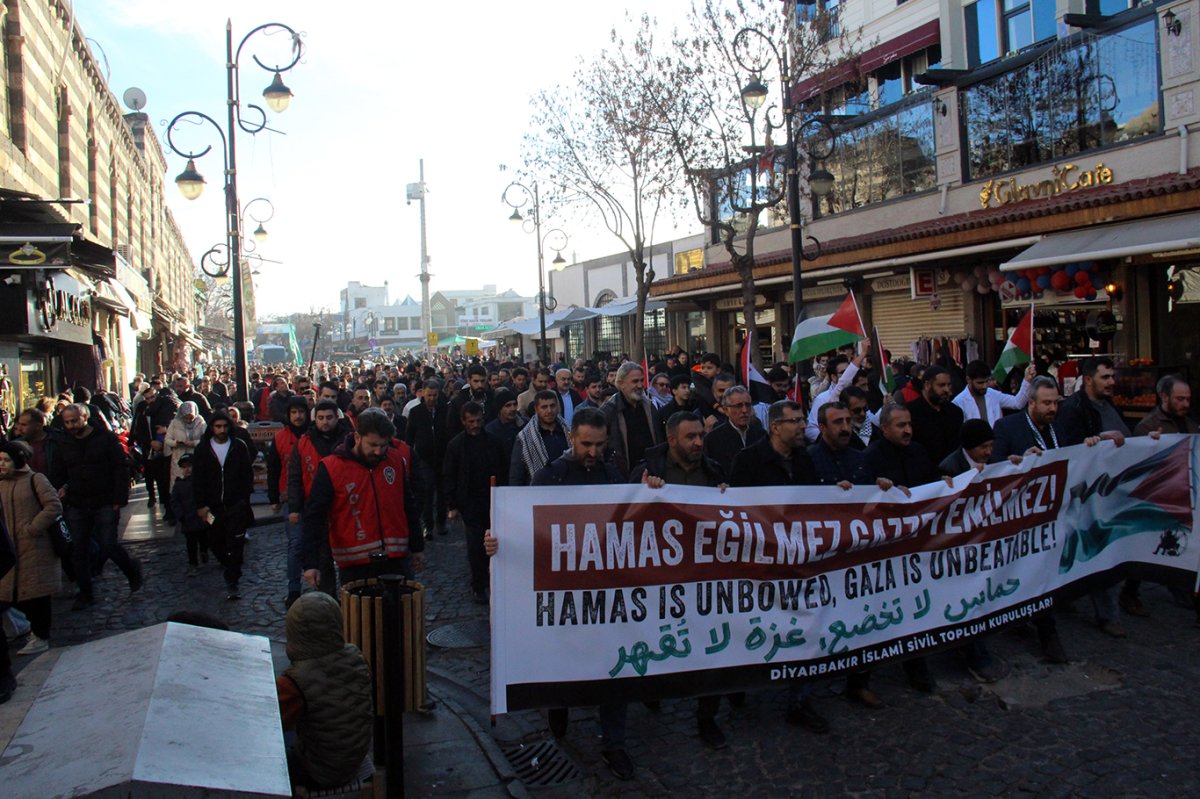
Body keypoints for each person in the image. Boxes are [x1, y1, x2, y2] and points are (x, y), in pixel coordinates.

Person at [485, 408, 638, 780]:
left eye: (599, 445)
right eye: (586, 444)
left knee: (612, 668)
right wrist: (497, 541)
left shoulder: (611, 473)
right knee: (563, 658)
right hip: (564, 593)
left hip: (604, 592)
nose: (593, 452)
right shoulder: (548, 476)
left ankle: (613, 743)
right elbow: (527, 528)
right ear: (572, 439)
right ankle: (558, 703)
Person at [631, 411, 732, 750]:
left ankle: (707, 716)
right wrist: (644, 494)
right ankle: (652, 688)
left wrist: (726, 496)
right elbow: (622, 520)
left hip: (705, 578)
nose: (699, 443)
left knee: (712, 648)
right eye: (690, 437)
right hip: (660, 578)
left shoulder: (712, 470)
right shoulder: (648, 471)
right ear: (671, 440)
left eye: (701, 436)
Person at [730, 400, 830, 733]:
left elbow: (816, 502)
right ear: (776, 427)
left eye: (803, 420)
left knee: (805, 624)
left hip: (799, 560)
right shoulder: (747, 461)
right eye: (796, 421)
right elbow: (733, 511)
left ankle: (800, 701)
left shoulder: (806, 458)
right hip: (759, 564)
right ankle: (738, 683)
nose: (804, 426)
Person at [989, 376, 1069, 663]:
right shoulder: (1007, 427)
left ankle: (1039, 623)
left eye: (1055, 403)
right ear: (1031, 402)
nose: (1052, 409)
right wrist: (1020, 461)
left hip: (1053, 513)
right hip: (1021, 516)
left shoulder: (1058, 428)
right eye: (1046, 403)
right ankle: (1044, 631)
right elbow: (992, 466)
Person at [303, 408, 424, 590]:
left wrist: (417, 547)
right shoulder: (331, 468)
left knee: (398, 615)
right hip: (355, 563)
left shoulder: (395, 460)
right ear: (358, 437)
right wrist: (311, 563)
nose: (378, 451)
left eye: (383, 445)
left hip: (396, 558)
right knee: (362, 616)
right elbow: (314, 516)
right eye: (373, 445)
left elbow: (408, 505)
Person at [1053, 356, 1132, 637]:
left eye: (1112, 377)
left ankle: (1108, 609)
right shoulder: (1073, 410)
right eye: (1105, 377)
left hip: (1109, 490)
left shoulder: (1110, 406)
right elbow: (1068, 451)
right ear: (1088, 380)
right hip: (1085, 495)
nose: (1112, 382)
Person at [49, 403, 143, 610]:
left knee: (108, 544)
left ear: (85, 417)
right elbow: (58, 470)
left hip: (105, 500)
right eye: (67, 422)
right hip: (77, 502)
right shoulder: (63, 442)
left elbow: (120, 468)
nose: (71, 426)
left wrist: (119, 497)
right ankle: (86, 592)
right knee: (78, 549)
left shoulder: (105, 439)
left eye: (74, 421)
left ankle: (131, 570)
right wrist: (62, 488)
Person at [276, 591, 373, 790]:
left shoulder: (294, 681)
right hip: (354, 755)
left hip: (321, 771)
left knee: (271, 751)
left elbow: (272, 724)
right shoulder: (357, 656)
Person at [0, 441, 63, 655]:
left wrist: (33, 528)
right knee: (9, 594)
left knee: (37, 596)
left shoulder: (35, 479)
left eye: (5, 460)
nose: (1, 464)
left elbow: (53, 505)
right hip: (10, 547)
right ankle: (24, 628)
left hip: (35, 547)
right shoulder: (2, 483)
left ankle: (41, 635)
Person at [443, 402, 507, 604]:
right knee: (475, 547)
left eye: (478, 421)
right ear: (463, 421)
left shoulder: (494, 442)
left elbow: (503, 470)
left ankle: (494, 580)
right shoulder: (455, 445)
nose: (475, 425)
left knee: (495, 543)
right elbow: (449, 475)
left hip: (492, 500)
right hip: (469, 502)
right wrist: (451, 505)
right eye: (471, 422)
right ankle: (478, 584)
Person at [192, 410, 255, 601]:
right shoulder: (203, 449)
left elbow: (247, 473)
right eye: (218, 426)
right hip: (213, 507)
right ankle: (229, 566)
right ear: (211, 428)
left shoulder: (238, 446)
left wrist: (244, 498)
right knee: (214, 541)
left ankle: (233, 580)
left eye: (225, 426)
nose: (222, 430)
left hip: (235, 504)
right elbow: (198, 479)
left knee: (236, 543)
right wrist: (201, 504)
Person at [270, 397, 311, 608]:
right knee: (296, 543)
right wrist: (273, 497)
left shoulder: (313, 434)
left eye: (301, 412)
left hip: (313, 496)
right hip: (289, 497)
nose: (298, 416)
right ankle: (294, 588)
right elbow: (273, 468)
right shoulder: (279, 438)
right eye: (294, 412)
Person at [599, 361, 661, 477]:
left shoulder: (649, 407)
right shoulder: (608, 411)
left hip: (651, 473)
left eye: (641, 380)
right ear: (621, 383)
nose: (640, 385)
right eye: (634, 381)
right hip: (623, 476)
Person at [406, 379, 448, 538]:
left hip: (442, 457)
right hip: (424, 458)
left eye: (434, 395)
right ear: (423, 393)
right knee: (427, 491)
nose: (431, 398)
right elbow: (409, 436)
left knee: (442, 492)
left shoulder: (444, 409)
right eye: (429, 395)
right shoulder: (416, 412)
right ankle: (428, 525)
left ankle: (441, 523)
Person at [904, 365, 964, 467]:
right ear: (927, 385)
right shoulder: (910, 412)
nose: (946, 390)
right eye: (941, 385)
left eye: (949, 385)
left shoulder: (955, 412)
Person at [703, 385, 766, 476]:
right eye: (738, 406)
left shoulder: (761, 435)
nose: (744, 410)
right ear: (726, 410)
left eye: (747, 405)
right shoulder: (712, 439)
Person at [510, 390, 569, 487]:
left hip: (568, 488)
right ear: (536, 409)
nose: (549, 411)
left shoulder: (569, 431)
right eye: (544, 407)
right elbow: (516, 474)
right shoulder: (525, 437)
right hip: (538, 491)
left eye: (552, 406)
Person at [953, 361, 1034, 425]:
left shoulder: (992, 394)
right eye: (980, 383)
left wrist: (1027, 380)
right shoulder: (958, 402)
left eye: (987, 381)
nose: (985, 386)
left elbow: (1017, 403)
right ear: (968, 380)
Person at [169, 453, 209, 576]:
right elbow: (174, 502)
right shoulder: (178, 485)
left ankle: (204, 551)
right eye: (184, 467)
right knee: (190, 543)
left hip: (204, 516)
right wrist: (180, 515)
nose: (187, 469)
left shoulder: (202, 482)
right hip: (187, 519)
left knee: (206, 536)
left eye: (190, 466)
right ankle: (193, 563)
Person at [164, 400, 207, 502]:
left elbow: (206, 440)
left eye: (190, 417)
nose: (188, 420)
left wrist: (194, 443)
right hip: (179, 458)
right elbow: (167, 439)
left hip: (195, 457)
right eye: (186, 417)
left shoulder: (200, 422)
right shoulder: (175, 423)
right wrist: (176, 443)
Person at [484, 388, 522, 464]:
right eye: (508, 405)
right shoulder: (490, 430)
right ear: (500, 408)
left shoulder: (525, 424)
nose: (513, 408)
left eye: (515, 404)